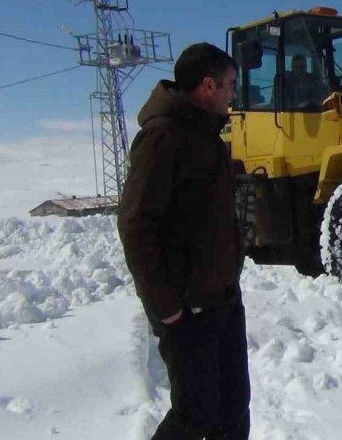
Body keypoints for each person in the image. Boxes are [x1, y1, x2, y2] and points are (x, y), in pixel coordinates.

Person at [118, 42, 250, 440]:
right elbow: (136, 223)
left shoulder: (206, 134)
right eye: (229, 84)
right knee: (194, 417)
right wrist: (166, 307)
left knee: (232, 411)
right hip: (187, 309)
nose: (233, 93)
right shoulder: (164, 136)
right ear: (208, 86)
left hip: (222, 300)